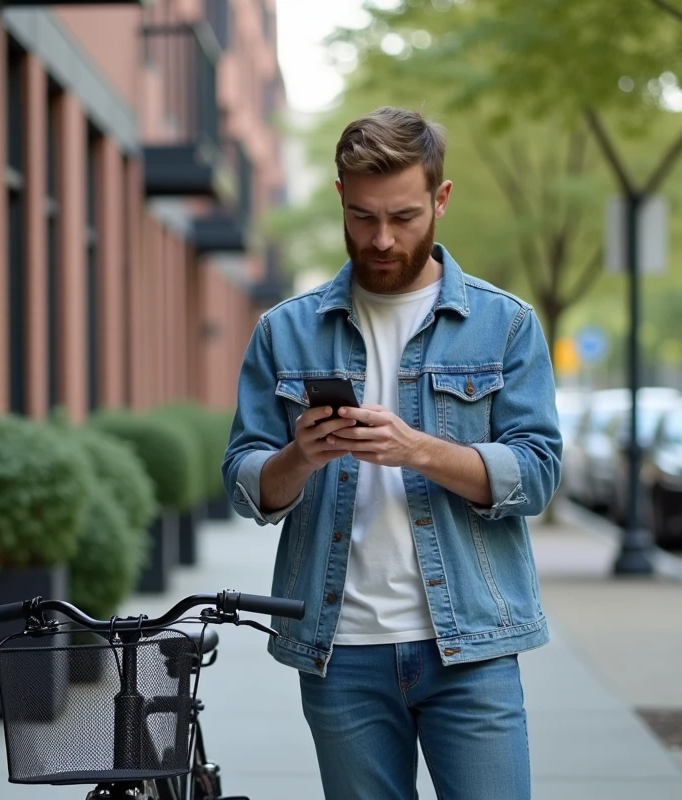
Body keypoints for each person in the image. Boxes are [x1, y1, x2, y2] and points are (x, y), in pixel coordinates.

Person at [221, 106, 562, 800]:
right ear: (341, 197)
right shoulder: (284, 332)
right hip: (339, 650)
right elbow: (245, 482)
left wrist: (421, 451)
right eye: (364, 217)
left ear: (441, 199)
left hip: (472, 646)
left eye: (404, 217)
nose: (381, 238)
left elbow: (538, 474)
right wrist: (301, 457)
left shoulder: (505, 324)